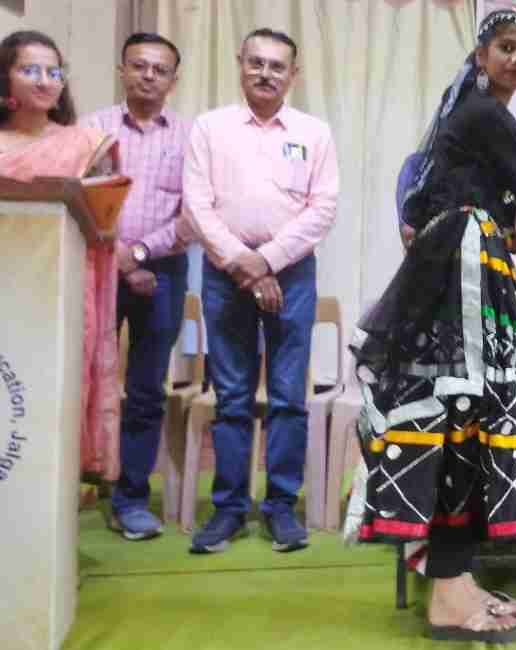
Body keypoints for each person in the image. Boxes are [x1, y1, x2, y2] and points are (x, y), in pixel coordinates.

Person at [348, 9, 516, 643]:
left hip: (469, 263)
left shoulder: (474, 115)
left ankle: (457, 578)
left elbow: (499, 202)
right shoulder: (486, 114)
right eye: (506, 47)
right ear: (481, 55)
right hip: (464, 273)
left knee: (470, 413)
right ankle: (448, 589)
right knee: (464, 413)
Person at [183, 28, 339, 554]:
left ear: (293, 74)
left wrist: (267, 261)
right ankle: (228, 509)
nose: (265, 73)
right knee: (231, 396)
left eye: (277, 66)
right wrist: (246, 265)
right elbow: (197, 206)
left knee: (289, 396)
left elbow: (323, 209)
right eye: (256, 63)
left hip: (291, 273)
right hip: (225, 273)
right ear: (240, 63)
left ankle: (280, 508)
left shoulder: (314, 132)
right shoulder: (210, 128)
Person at [0, 30, 121, 487]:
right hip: (5, 283)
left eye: (54, 71)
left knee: (51, 395)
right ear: (5, 77)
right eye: (29, 69)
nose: (44, 80)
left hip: (61, 291)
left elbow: (105, 227)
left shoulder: (86, 146)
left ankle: (48, 499)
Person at [83, 32, 191, 541]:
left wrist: (141, 254)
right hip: (97, 267)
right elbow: (80, 200)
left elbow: (193, 214)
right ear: (121, 70)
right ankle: (76, 486)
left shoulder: (191, 137)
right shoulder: (92, 130)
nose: (149, 75)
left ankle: (130, 499)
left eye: (159, 69)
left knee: (147, 389)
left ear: (173, 79)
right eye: (139, 66)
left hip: (162, 274)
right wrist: (122, 261)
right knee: (83, 382)